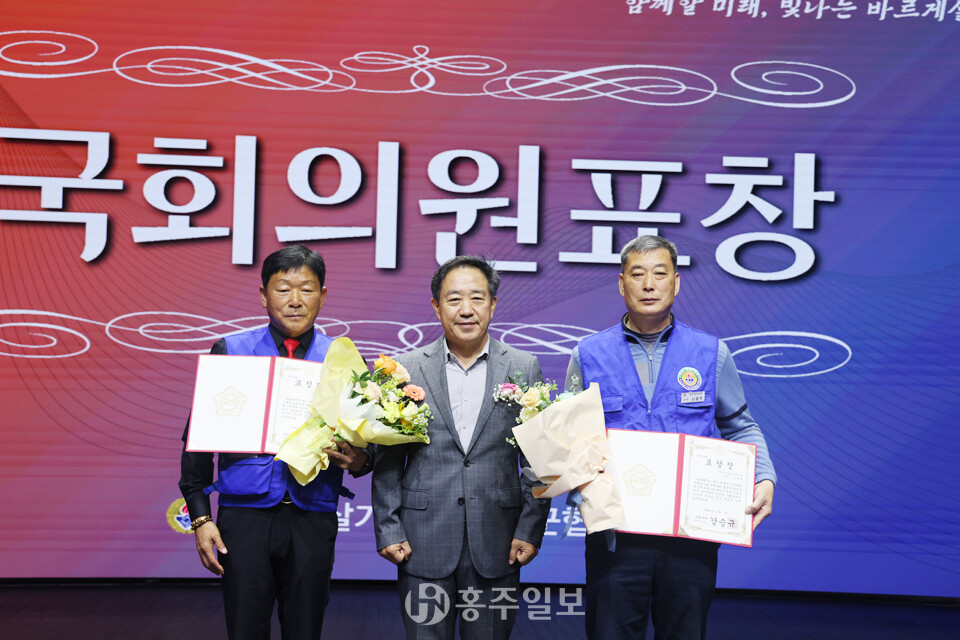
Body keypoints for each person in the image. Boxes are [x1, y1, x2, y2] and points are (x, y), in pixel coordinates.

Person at [567, 235, 777, 640]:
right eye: (638, 274)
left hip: (691, 538)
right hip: (616, 537)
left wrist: (764, 477)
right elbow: (572, 440)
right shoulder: (588, 355)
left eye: (660, 274)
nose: (649, 285)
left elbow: (741, 425)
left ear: (676, 282)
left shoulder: (711, 353)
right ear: (621, 283)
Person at [178, 244, 371, 640]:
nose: (295, 300)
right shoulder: (231, 350)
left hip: (313, 515)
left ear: (323, 296)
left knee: (305, 629)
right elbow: (197, 442)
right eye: (283, 289)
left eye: (307, 289)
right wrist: (201, 517)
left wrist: (359, 460)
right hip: (244, 518)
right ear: (264, 296)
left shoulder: (343, 360)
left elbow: (367, 449)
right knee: (245, 628)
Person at [372, 256, 550, 639]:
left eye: (477, 298)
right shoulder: (404, 370)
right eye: (454, 299)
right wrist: (388, 528)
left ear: (493, 304)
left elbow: (538, 460)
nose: (466, 310)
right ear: (436, 306)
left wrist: (531, 527)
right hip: (421, 542)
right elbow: (388, 459)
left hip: (499, 542)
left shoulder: (523, 366)